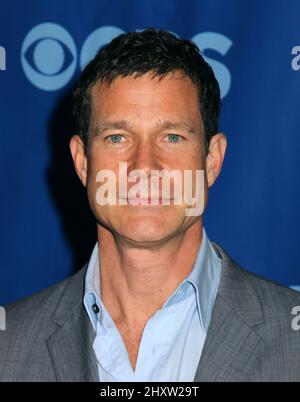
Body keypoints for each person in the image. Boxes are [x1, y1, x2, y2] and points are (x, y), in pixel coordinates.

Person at [1, 28, 300, 382]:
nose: (144, 166)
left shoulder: (292, 340)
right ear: (82, 162)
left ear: (212, 160)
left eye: (171, 137)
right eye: (117, 137)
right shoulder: (8, 347)